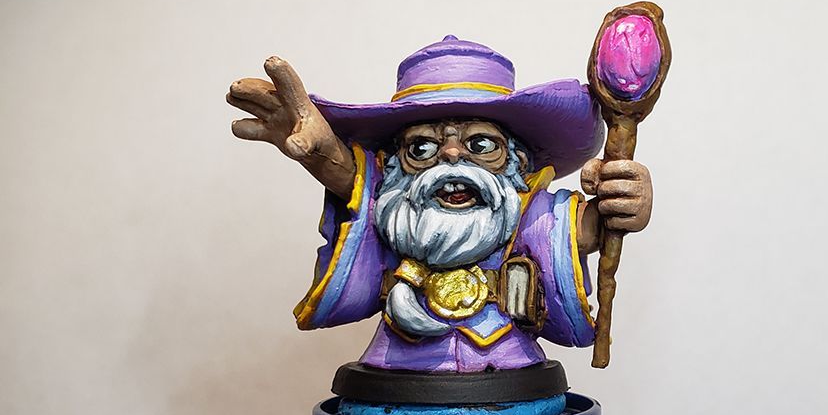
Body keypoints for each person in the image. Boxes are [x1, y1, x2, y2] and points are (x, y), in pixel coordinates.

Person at [227, 36, 653, 373]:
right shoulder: (395, 209)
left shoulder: (529, 216)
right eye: (422, 148)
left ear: (517, 164)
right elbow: (352, 180)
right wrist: (321, 153)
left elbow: (593, 226)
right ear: (394, 166)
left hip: (509, 368)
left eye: (480, 145)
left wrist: (627, 199)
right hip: (396, 372)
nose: (450, 156)